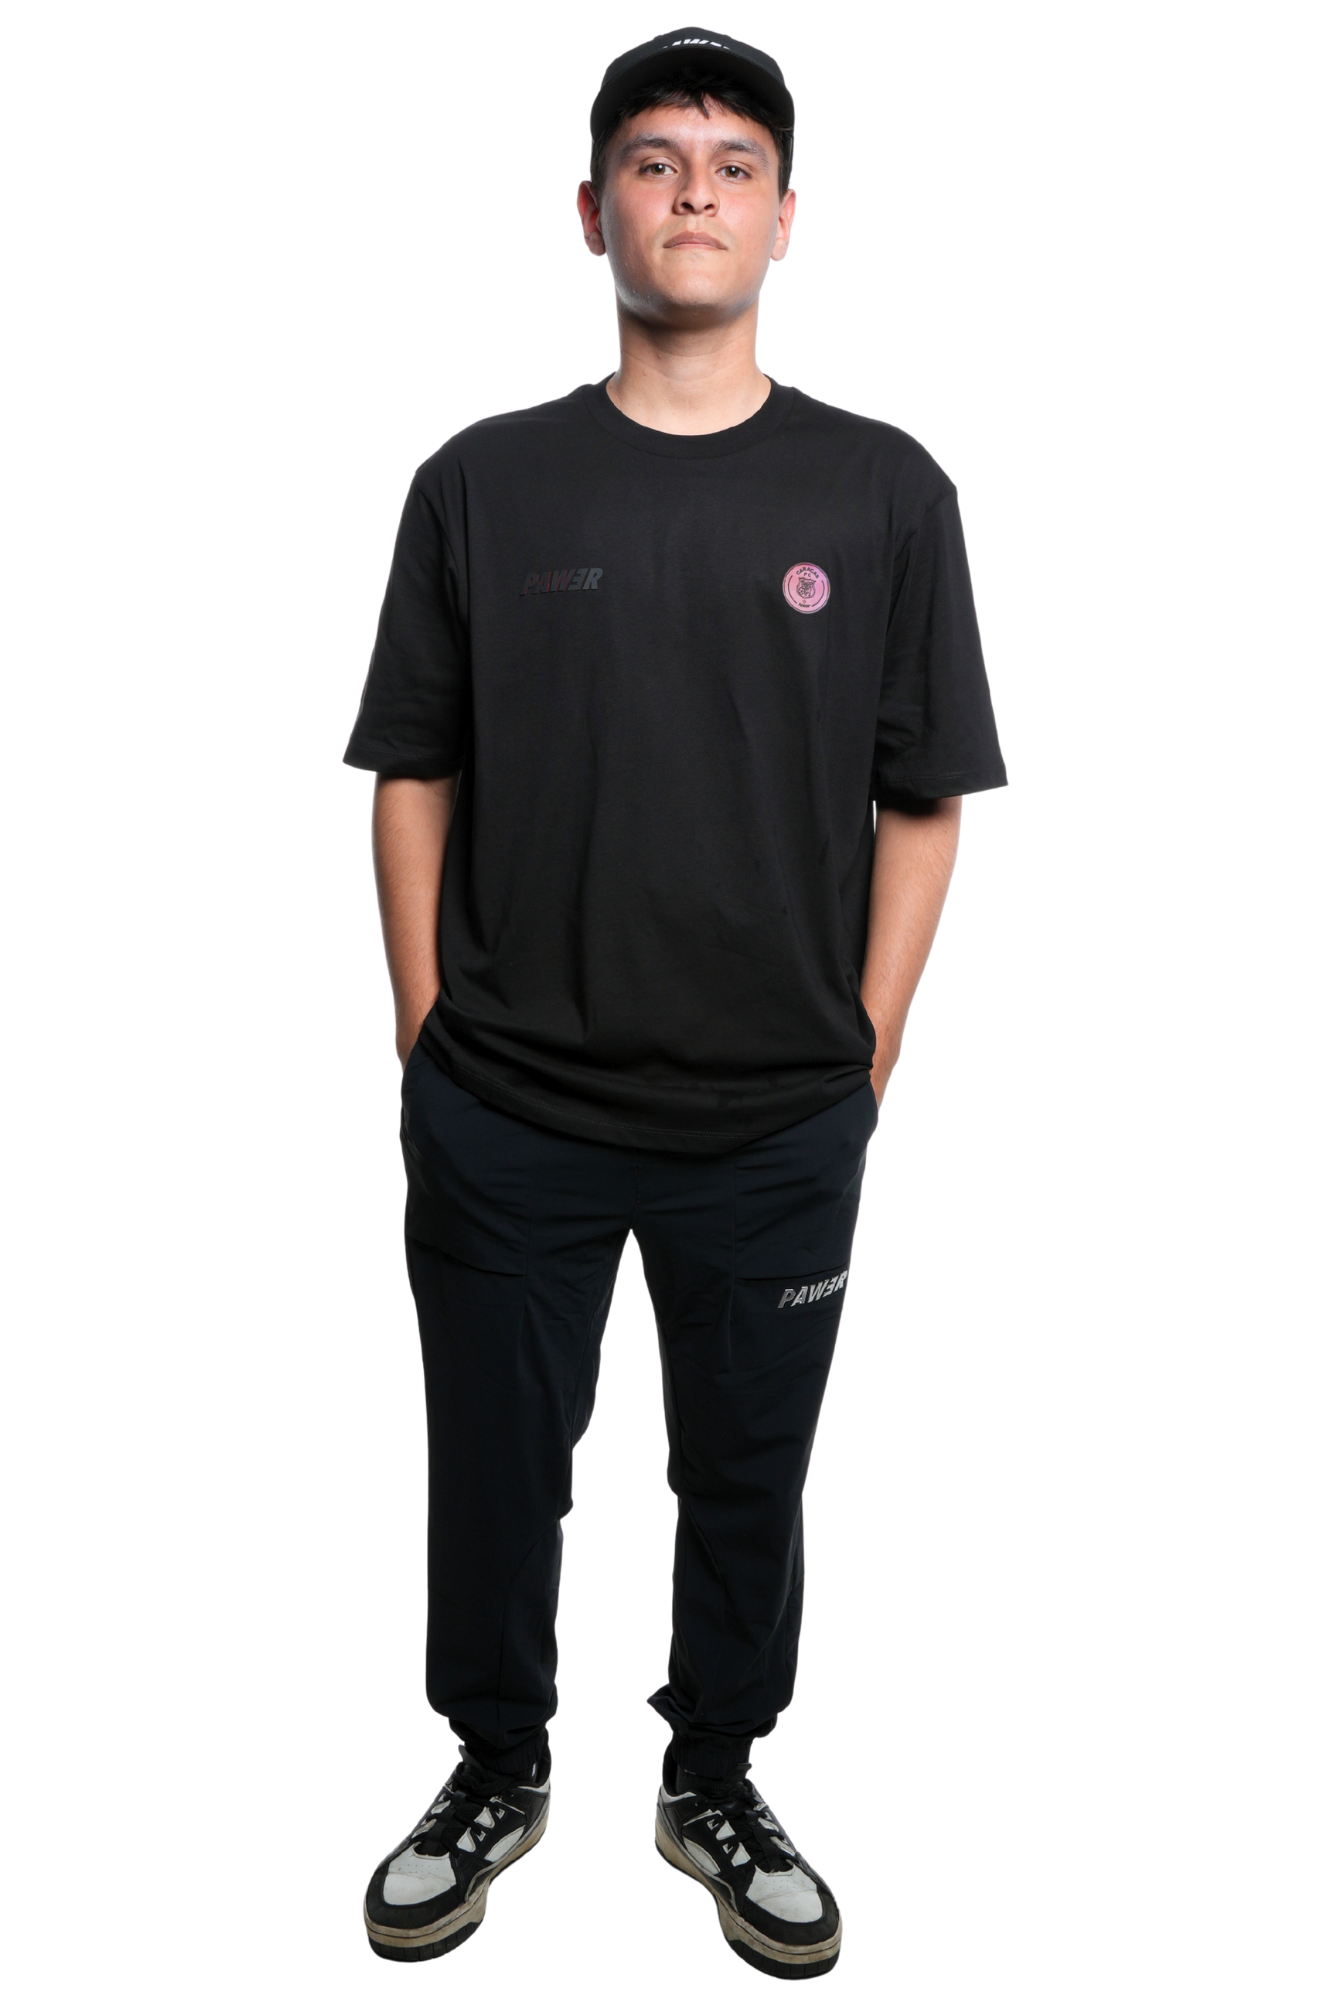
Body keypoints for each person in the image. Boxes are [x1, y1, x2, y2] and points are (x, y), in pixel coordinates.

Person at [345, 26, 1005, 1978]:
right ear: (592, 211)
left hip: (776, 1116)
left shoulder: (885, 490)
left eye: (732, 164)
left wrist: (867, 1051)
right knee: (494, 1467)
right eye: (653, 160)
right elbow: (413, 769)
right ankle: (495, 1762)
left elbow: (923, 794)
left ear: (786, 217)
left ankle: (712, 1771)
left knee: (746, 1475)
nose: (694, 190)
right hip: (509, 1105)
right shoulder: (484, 481)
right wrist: (425, 1033)